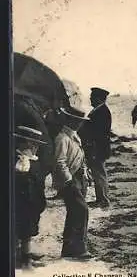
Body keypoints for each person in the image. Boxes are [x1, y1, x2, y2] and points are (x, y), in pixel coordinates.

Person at [53, 107, 92, 260]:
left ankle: (70, 248)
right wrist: (68, 180)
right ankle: (78, 248)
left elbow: (80, 157)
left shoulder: (74, 136)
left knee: (75, 212)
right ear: (70, 120)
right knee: (82, 210)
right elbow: (59, 162)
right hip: (68, 180)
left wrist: (85, 173)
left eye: (81, 122)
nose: (79, 124)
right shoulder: (62, 138)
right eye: (77, 121)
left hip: (77, 178)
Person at [14, 125, 48, 269]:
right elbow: (23, 183)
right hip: (25, 201)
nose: (36, 148)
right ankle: (25, 260)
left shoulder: (32, 161)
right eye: (34, 144)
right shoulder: (21, 161)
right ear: (26, 144)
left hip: (32, 200)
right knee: (24, 231)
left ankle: (23, 255)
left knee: (28, 229)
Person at [83, 87, 112, 208]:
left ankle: (103, 200)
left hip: (98, 148)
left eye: (92, 97)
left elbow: (99, 133)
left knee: (99, 173)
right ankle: (101, 198)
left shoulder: (102, 112)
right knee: (98, 173)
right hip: (97, 147)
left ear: (98, 99)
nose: (90, 99)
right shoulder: (99, 110)